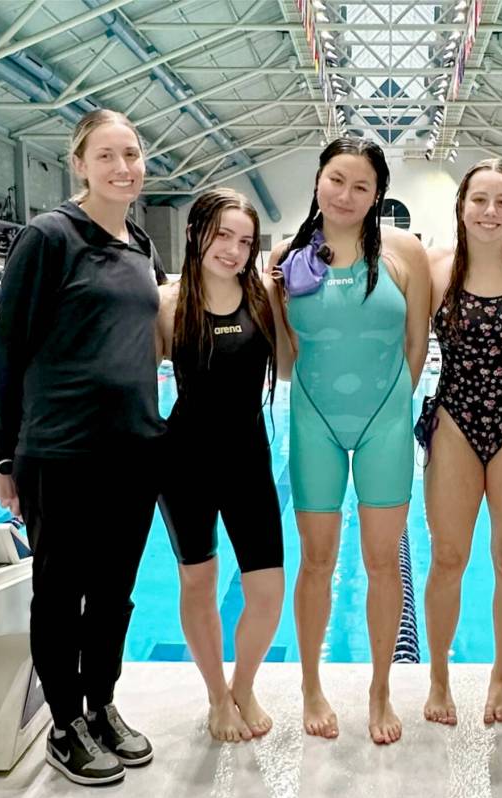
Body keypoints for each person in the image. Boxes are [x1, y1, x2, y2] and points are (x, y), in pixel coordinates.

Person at [0, 109, 166, 787]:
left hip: (132, 451)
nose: (125, 167)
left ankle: (102, 705)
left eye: (133, 153)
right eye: (109, 155)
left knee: (115, 594)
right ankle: (65, 726)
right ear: (81, 164)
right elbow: (9, 351)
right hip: (62, 452)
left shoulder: (141, 244)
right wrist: (7, 455)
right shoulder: (49, 238)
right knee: (61, 595)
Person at [268, 138, 430, 744]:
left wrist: (391, 404)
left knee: (384, 563)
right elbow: (285, 356)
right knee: (315, 561)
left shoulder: (404, 252)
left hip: (385, 420)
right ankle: (311, 685)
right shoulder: (287, 260)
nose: (346, 195)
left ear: (378, 194)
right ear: (317, 179)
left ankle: (381, 689)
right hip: (314, 420)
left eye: (361, 186)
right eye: (337, 179)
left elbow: (417, 346)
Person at [419, 159, 502, 727]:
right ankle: (439, 678)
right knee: (448, 557)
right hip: (455, 420)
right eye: (480, 200)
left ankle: (501, 678)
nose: (490, 211)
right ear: (462, 206)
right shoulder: (436, 267)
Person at [155, 188, 285, 742]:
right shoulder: (168, 303)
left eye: (245, 241)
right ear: (195, 234)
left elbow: (303, 355)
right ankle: (216, 696)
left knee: (268, 589)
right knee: (198, 583)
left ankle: (244, 686)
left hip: (249, 459)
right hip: (184, 461)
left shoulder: (264, 298)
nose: (233, 250)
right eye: (222, 236)